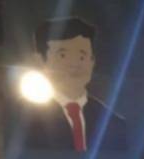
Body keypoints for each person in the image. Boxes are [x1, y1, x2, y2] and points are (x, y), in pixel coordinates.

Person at [21, 17, 127, 151]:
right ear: (39, 61)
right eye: (63, 55)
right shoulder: (23, 122)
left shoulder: (113, 123)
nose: (75, 64)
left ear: (92, 62)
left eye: (82, 57)